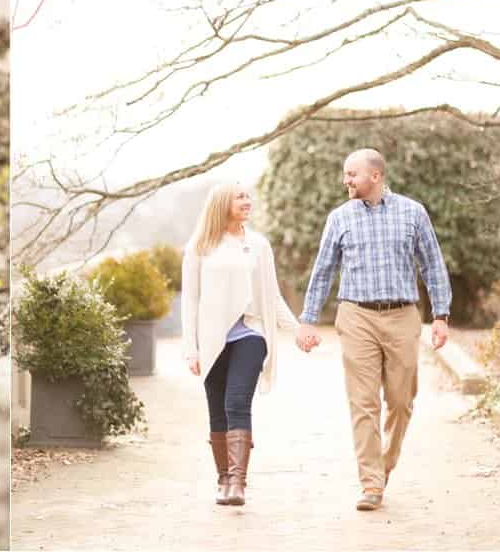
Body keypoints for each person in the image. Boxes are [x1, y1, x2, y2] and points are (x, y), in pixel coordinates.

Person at [295, 148, 452, 512]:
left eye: (352, 174)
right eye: (345, 174)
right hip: (356, 316)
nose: (345, 180)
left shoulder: (413, 213)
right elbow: (322, 271)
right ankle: (371, 484)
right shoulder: (339, 218)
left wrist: (441, 315)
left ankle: (386, 463)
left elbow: (433, 265)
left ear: (376, 176)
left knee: (400, 400)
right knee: (363, 403)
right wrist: (307, 319)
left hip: (402, 316)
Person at [181, 181, 300, 506]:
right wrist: (190, 349)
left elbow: (272, 295)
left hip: (250, 333)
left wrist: (297, 329)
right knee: (217, 408)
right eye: (240, 197)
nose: (247, 202)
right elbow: (190, 300)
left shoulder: (259, 245)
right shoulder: (200, 247)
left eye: (248, 196)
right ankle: (222, 479)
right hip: (211, 340)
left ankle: (237, 483)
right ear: (222, 204)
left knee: (236, 402)